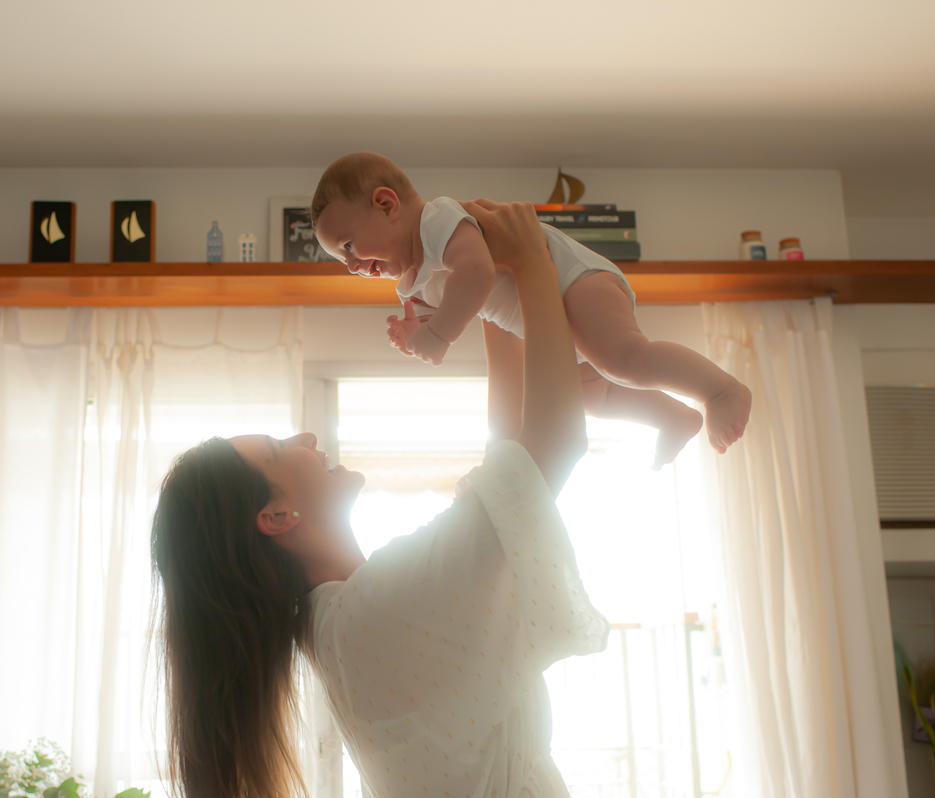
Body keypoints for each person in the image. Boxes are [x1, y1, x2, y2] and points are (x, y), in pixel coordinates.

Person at [150, 200, 608, 797]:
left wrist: (497, 298)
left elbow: (509, 480)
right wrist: (531, 267)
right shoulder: (375, 609)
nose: (305, 438)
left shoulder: (338, 623)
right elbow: (549, 450)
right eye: (279, 448)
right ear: (277, 516)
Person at [311, 151, 752, 468]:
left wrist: (439, 335)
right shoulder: (412, 280)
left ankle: (719, 391)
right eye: (340, 259)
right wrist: (415, 333)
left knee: (624, 359)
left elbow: (477, 273)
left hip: (573, 281)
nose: (350, 265)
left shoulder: (438, 222)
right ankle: (673, 417)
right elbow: (443, 314)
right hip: (551, 322)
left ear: (386, 205)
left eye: (348, 245)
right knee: (591, 397)